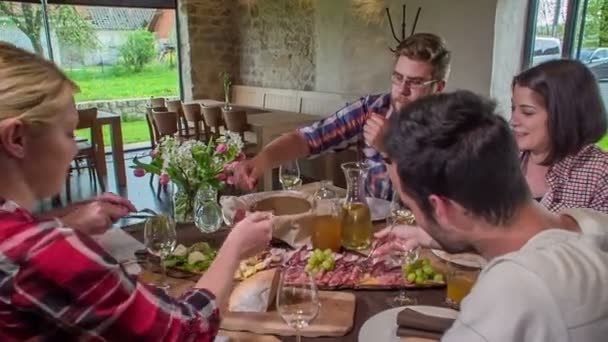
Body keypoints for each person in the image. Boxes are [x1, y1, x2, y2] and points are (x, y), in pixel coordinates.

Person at [0, 42, 273, 340]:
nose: (75, 146)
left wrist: (72, 220)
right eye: (68, 132)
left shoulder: (17, 235)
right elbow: (187, 331)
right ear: (17, 138)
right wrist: (234, 248)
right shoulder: (48, 252)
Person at [379, 90, 608, 341]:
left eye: (412, 206)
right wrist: (434, 235)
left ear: (442, 209)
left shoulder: (514, 290)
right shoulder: (587, 224)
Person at [234, 32, 451, 200]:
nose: (402, 90)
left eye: (415, 82)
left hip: (425, 243)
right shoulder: (372, 109)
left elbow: (426, 207)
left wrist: (389, 150)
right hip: (370, 232)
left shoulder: (454, 131)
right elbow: (308, 138)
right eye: (397, 78)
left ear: (439, 87)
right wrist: (260, 161)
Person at [511, 59, 608, 213]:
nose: (513, 121)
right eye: (513, 109)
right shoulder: (504, 157)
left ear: (564, 115)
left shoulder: (601, 174)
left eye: (527, 112)